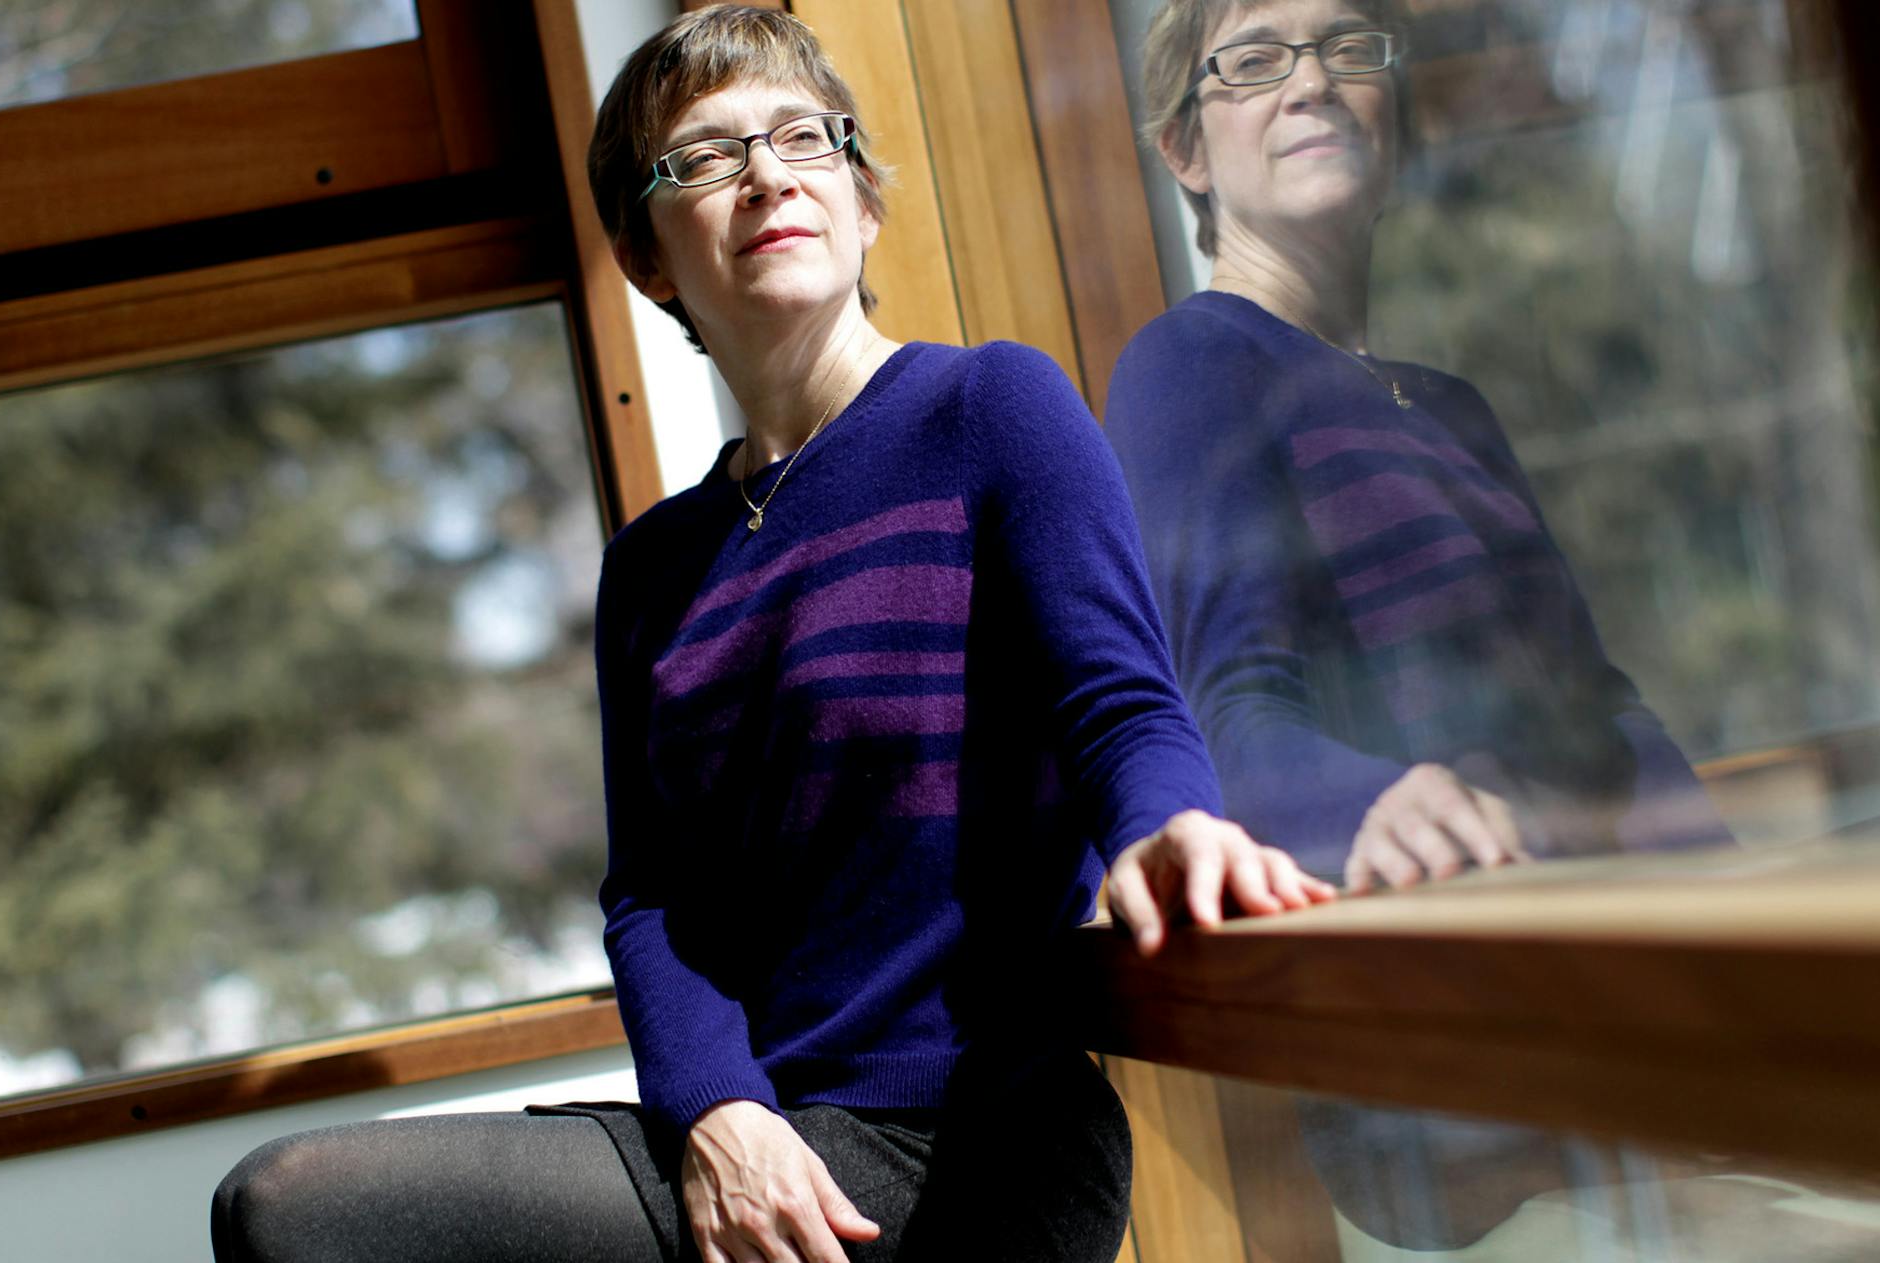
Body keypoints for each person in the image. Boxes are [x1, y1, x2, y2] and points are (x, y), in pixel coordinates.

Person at [210, 7, 1333, 1262]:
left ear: (864, 201)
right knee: (285, 1206)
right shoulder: (651, 570)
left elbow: (1119, 707)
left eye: (804, 137)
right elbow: (651, 898)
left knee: (297, 1213)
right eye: (705, 156)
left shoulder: (990, 407)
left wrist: (1169, 825)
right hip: (757, 1131)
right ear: (646, 259)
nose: (767, 174)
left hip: (968, 1138)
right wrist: (714, 1108)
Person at [1108, 0, 1731, 895]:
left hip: (1601, 905)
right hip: (1432, 912)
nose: (1313, 81)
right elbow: (1226, 714)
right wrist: (1370, 805)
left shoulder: (1454, 406)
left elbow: (1601, 710)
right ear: (1185, 151)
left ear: (1392, 110)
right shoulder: (1193, 361)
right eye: (1254, 61)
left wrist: (1731, 885)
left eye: (1347, 47)